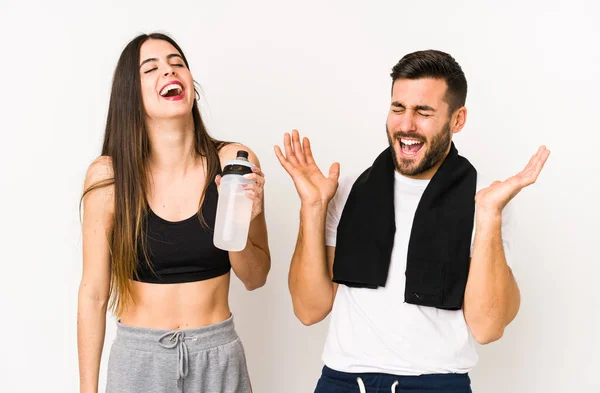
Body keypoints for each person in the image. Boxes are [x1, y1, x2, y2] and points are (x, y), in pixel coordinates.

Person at [275, 49, 550, 393]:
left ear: (457, 120)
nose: (406, 125)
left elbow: (487, 327)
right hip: (343, 381)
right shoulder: (347, 192)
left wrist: (490, 217)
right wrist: (312, 207)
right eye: (398, 108)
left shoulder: (483, 201)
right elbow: (308, 309)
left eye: (423, 112)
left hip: (435, 384)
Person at [78, 32, 270, 393]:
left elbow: (255, 277)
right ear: (130, 96)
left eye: (177, 63)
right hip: (140, 359)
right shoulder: (109, 176)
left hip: (218, 354)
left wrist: (241, 221)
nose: (169, 72)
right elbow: (93, 292)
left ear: (191, 87)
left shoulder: (235, 164)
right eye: (151, 69)